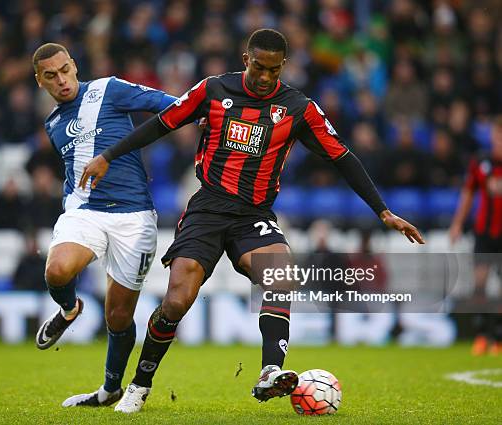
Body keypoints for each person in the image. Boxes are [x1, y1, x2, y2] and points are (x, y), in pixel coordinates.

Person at [79, 29, 425, 413]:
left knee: (281, 274)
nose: (264, 77)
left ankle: (269, 371)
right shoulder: (212, 90)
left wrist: (383, 210)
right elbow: (161, 123)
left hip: (254, 215)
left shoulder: (297, 107)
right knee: (177, 300)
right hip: (208, 208)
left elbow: (341, 156)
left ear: (283, 67)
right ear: (246, 59)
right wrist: (108, 155)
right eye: (258, 67)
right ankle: (139, 387)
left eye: (273, 70)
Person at [32, 42, 179, 407]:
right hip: (86, 212)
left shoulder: (109, 88)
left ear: (75, 66)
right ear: (40, 81)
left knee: (118, 315)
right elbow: (72, 170)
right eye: (51, 76)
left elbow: (168, 104)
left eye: (65, 70)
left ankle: (110, 388)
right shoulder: (53, 124)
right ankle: (70, 310)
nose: (61, 80)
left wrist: (206, 114)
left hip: (134, 216)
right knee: (57, 271)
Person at [449, 115, 502, 356]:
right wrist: (457, 224)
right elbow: (468, 194)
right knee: (479, 284)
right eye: (498, 136)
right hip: (484, 233)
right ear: (493, 137)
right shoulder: (481, 162)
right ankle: (482, 335)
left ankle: (499, 338)